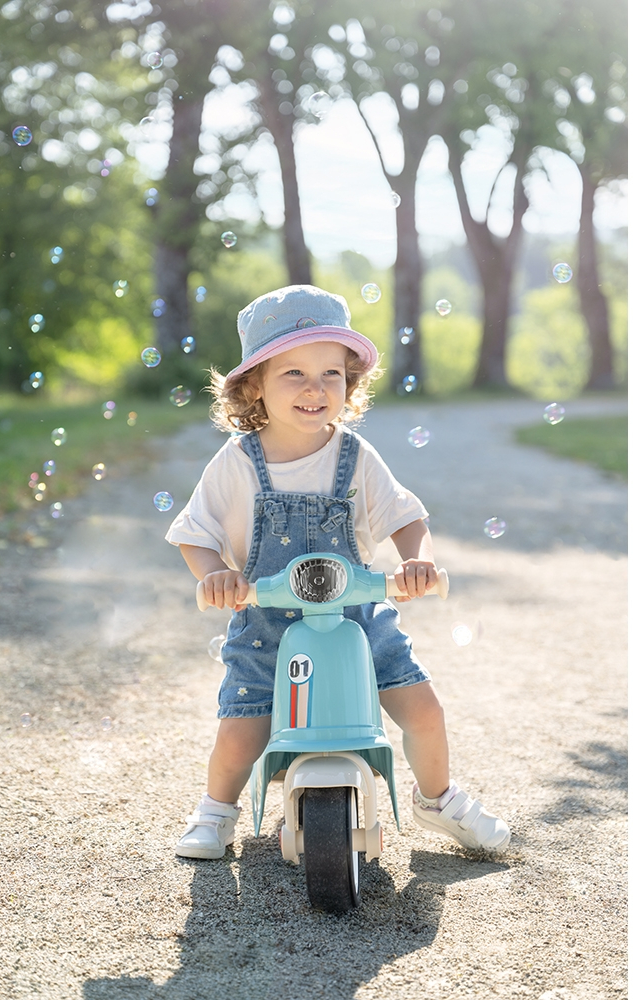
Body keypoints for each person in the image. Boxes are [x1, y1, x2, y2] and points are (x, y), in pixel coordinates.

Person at [164, 284, 510, 860]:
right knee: (241, 728)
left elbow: (406, 517)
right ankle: (216, 810)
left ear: (349, 382)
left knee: (423, 709)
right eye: (294, 373)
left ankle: (436, 797)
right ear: (254, 385)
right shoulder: (236, 463)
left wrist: (417, 559)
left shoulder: (355, 456)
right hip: (267, 620)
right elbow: (194, 534)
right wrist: (216, 576)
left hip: (356, 613)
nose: (315, 388)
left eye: (331, 373)